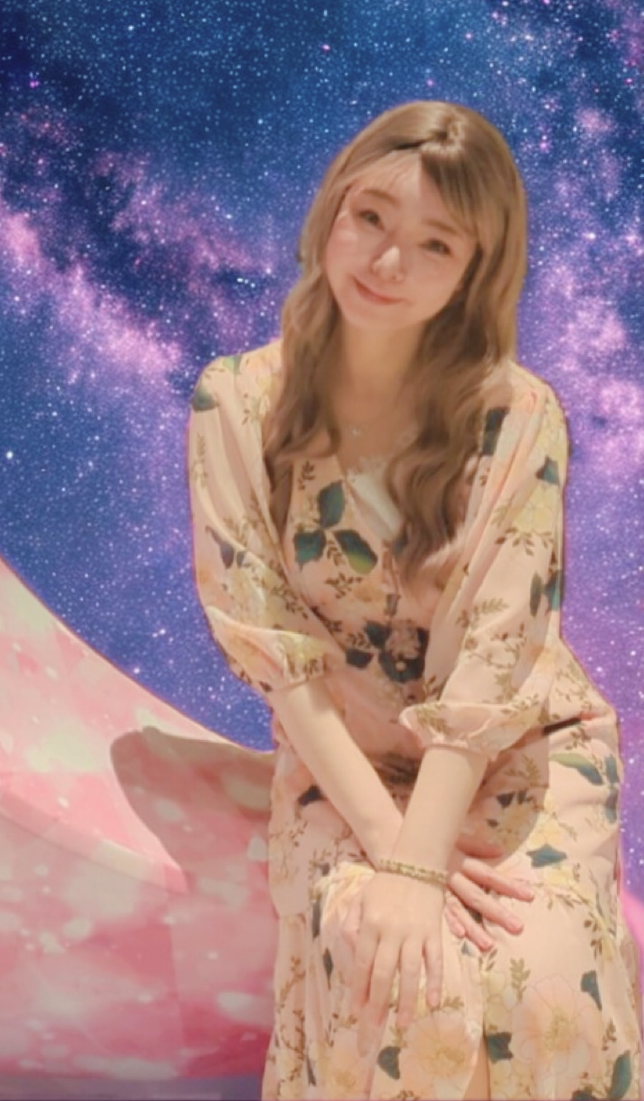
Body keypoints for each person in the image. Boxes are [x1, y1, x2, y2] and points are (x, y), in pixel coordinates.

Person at [186, 100, 642, 1099]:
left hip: (514, 747)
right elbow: (271, 645)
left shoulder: (518, 416)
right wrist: (399, 857)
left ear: (475, 270)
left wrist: (426, 861)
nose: (388, 261)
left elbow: (495, 651)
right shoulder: (236, 402)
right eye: (370, 218)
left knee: (542, 981)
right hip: (344, 768)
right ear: (331, 211)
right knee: (402, 984)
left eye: (435, 243)